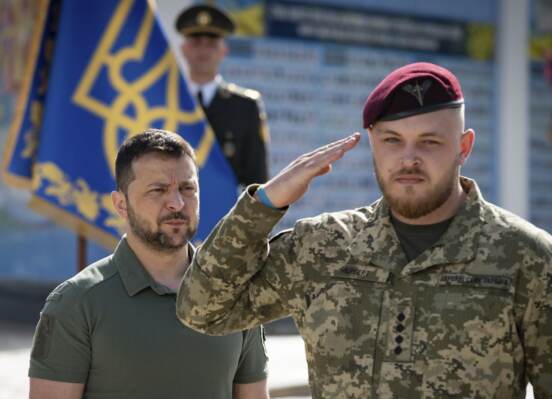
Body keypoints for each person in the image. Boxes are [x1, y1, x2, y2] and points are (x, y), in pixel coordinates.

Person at [176, 63, 552, 398]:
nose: (408, 159)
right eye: (392, 140)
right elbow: (201, 310)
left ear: (464, 146)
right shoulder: (322, 248)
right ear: (373, 144)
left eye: (430, 142)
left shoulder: (526, 257)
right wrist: (264, 206)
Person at [28, 130, 269, 399]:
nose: (177, 203)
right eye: (158, 190)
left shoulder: (233, 293)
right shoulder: (76, 303)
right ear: (121, 204)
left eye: (187, 189)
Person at [176, 4, 269, 189]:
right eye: (196, 42)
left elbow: (256, 177)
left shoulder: (246, 106)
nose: (203, 50)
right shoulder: (166, 99)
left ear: (223, 51)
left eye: (211, 43)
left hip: (226, 211)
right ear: (184, 48)